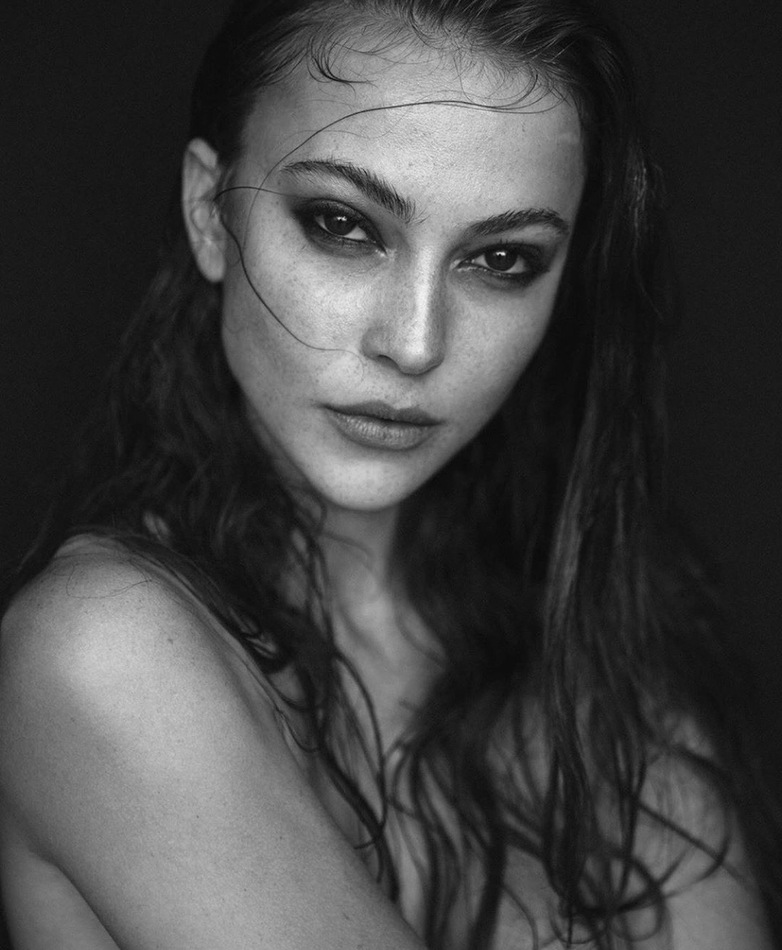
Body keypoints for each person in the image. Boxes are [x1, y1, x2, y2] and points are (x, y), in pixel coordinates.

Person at [0, 0, 779, 947]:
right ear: (210, 213)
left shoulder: (585, 626)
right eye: (342, 225)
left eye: (501, 259)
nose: (415, 343)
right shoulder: (109, 651)